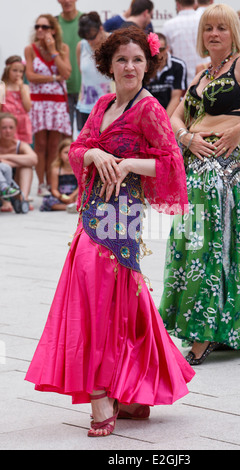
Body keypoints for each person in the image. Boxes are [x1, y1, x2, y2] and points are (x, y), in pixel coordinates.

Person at [25, 26, 195, 438]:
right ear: (109, 65)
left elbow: (172, 165)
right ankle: (132, 390)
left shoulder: (149, 109)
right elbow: (76, 149)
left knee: (98, 290)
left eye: (138, 59)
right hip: (94, 211)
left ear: (148, 64)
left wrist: (131, 164)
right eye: (122, 59)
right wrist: (97, 151)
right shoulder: (102, 104)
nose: (130, 66)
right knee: (114, 293)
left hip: (124, 212)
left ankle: (103, 392)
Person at [158, 3, 240, 366]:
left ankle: (205, 333)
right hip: (198, 165)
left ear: (233, 32)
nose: (214, 34)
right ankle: (215, 326)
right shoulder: (201, 75)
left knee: (212, 245)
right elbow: (174, 117)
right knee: (196, 242)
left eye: (221, 28)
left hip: (225, 169)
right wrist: (186, 138)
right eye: (208, 28)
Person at [24, 14, 72, 197]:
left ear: (53, 30)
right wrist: (53, 78)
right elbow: (30, 76)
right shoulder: (30, 49)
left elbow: (66, 73)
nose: (39, 30)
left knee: (54, 145)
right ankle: (41, 184)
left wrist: (53, 51)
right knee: (40, 144)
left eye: (44, 27)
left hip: (57, 103)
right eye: (37, 27)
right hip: (39, 102)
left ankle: (52, 183)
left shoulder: (63, 48)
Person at [76, 12, 112, 131]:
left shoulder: (114, 42)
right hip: (86, 105)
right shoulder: (81, 46)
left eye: (92, 37)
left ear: (100, 28)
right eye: (86, 38)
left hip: (110, 105)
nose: (90, 41)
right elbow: (83, 74)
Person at [163, 0, 208, 86]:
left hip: (181, 81)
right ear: (195, 3)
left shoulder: (168, 25)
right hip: (204, 77)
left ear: (177, 4)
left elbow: (167, 54)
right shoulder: (203, 21)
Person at [0, 113, 37, 212]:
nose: (8, 131)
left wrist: (5, 158)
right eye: (4, 128)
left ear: (15, 129)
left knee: (27, 168)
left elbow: (34, 159)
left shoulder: (20, 145)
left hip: (15, 189)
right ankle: (5, 202)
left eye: (11, 127)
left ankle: (23, 199)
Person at [146, 33, 187, 116]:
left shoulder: (178, 65)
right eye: (153, 50)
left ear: (167, 48)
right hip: (149, 113)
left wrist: (164, 121)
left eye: (161, 50)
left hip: (170, 113)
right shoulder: (145, 66)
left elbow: (176, 97)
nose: (157, 54)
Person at [57, 0, 82, 132]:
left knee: (86, 136)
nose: (67, 1)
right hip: (60, 89)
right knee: (63, 137)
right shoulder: (53, 24)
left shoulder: (86, 21)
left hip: (85, 90)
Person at [40, 138, 78, 212]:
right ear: (60, 154)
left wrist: (72, 196)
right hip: (61, 196)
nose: (69, 155)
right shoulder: (56, 169)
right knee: (48, 201)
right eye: (66, 152)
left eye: (72, 152)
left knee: (83, 197)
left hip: (75, 195)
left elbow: (81, 187)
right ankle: (68, 207)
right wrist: (60, 197)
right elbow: (54, 189)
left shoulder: (78, 168)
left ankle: (75, 204)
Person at [0, 56, 32, 144]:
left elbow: (28, 108)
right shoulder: (2, 87)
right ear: (7, 71)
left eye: (21, 71)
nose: (18, 74)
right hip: (8, 122)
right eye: (14, 70)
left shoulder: (25, 87)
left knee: (23, 146)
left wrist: (21, 88)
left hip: (23, 122)